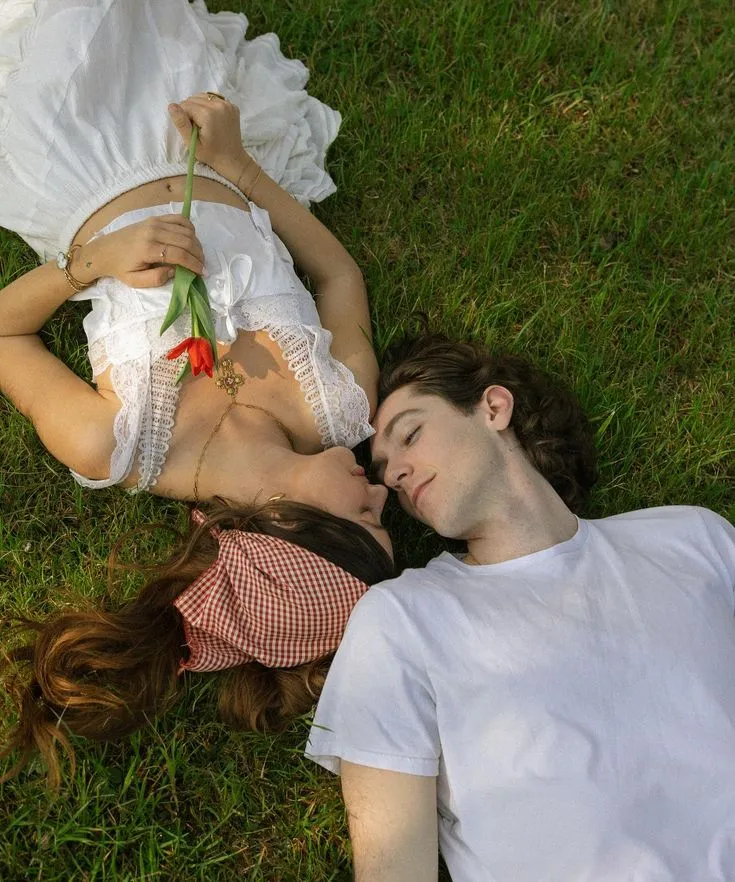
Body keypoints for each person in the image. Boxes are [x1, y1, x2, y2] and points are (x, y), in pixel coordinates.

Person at [0, 0, 394, 785]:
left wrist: (95, 262)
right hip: (199, 150)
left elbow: (5, 335)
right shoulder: (341, 405)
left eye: (365, 518)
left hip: (78, 160)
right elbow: (338, 275)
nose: (383, 495)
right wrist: (242, 170)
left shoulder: (119, 444)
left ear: (283, 526)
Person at [306, 333, 735, 882]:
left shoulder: (692, 539)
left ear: (493, 407)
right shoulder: (402, 621)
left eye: (410, 434)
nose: (392, 476)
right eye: (385, 468)